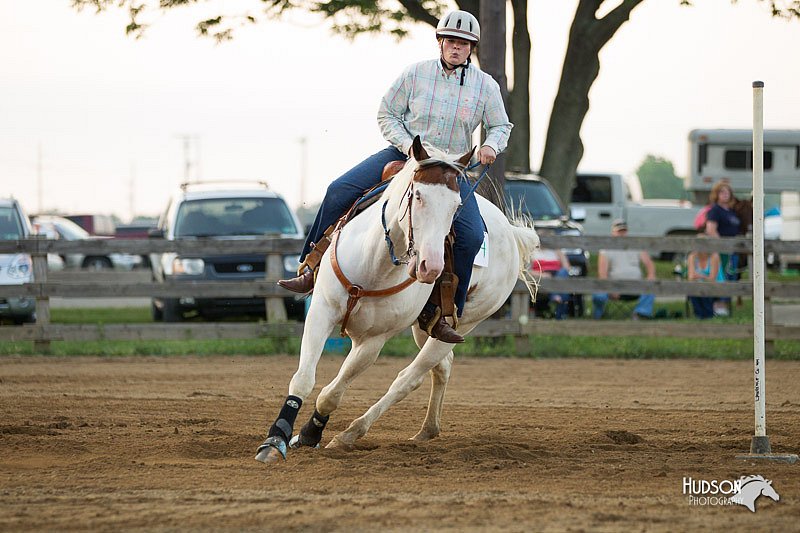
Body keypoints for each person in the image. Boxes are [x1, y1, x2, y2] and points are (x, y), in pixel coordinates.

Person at [278, 10, 512, 343]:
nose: (456, 48)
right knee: (339, 189)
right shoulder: (415, 74)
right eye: (450, 41)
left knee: (472, 237)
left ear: (471, 48)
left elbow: (501, 124)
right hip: (405, 154)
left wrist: (491, 144)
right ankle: (310, 266)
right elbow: (387, 112)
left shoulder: (485, 86)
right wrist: (407, 148)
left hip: (449, 169)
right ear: (440, 42)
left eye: (463, 43)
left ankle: (445, 313)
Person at [592, 219, 656, 320]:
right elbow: (602, 274)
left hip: (636, 285)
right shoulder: (606, 249)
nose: (622, 234)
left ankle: (640, 314)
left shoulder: (636, 245)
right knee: (599, 295)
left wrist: (651, 275)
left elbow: (649, 264)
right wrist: (610, 289)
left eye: (624, 231)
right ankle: (598, 317)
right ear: (613, 233)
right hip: (615, 286)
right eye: (619, 231)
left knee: (652, 285)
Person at [704, 180, 741, 316]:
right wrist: (722, 246)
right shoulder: (715, 210)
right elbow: (711, 229)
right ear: (716, 194)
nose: (725, 195)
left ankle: (726, 306)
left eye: (728, 192)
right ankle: (718, 306)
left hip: (733, 249)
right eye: (722, 192)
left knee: (731, 276)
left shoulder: (731, 211)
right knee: (721, 276)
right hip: (721, 250)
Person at [686, 234, 724, 319]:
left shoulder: (714, 256)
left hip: (716, 286)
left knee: (704, 287)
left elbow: (712, 278)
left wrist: (699, 276)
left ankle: (707, 314)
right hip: (698, 285)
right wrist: (703, 277)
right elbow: (691, 277)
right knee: (694, 288)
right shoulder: (692, 257)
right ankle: (700, 315)